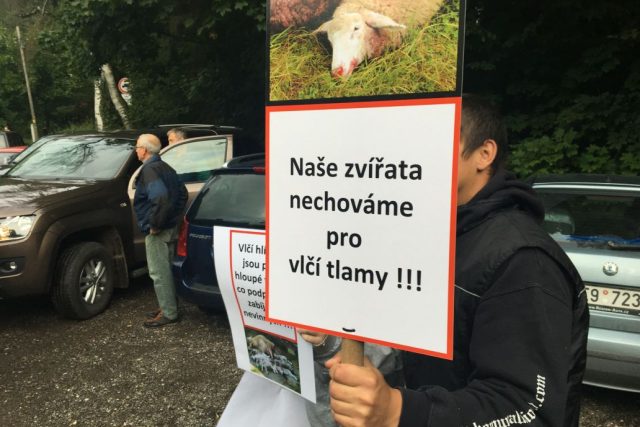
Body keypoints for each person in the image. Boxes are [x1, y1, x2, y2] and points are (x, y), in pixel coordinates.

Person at [322, 96, 589, 427]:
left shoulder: (523, 259)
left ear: (484, 154)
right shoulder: (431, 234)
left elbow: (527, 408)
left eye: (435, 138)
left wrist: (398, 410)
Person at [133, 134, 188, 328]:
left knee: (159, 272)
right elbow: (183, 193)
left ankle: (169, 313)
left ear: (145, 150)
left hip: (159, 230)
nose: (135, 149)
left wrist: (155, 224)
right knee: (167, 268)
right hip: (171, 226)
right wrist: (174, 218)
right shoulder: (165, 167)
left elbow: (160, 198)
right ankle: (169, 305)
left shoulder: (149, 170)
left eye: (137, 146)